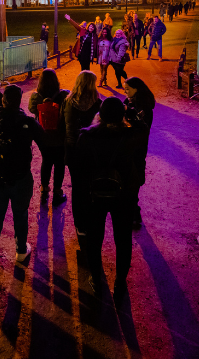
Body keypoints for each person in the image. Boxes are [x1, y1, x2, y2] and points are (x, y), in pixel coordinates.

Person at [75, 97, 147, 297]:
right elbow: (144, 134)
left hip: (94, 194)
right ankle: (120, 282)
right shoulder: (132, 136)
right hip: (124, 195)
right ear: (122, 115)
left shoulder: (86, 137)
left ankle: (96, 279)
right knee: (123, 239)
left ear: (100, 114)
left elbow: (78, 170)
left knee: (94, 238)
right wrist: (133, 116)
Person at [0, 84, 45, 263]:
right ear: (20, 101)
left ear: (2, 100)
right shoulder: (27, 122)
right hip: (21, 176)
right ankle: (20, 250)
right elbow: (45, 143)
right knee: (20, 213)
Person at [62, 71, 102, 236]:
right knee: (92, 185)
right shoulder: (98, 103)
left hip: (73, 150)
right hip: (92, 151)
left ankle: (80, 224)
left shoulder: (68, 102)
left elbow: (60, 124)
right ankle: (92, 219)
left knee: (78, 187)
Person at [28, 69, 69, 205]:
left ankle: (44, 190)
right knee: (59, 163)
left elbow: (31, 109)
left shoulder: (36, 96)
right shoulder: (63, 95)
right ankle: (57, 191)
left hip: (43, 135)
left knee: (46, 161)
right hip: (59, 134)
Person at [123, 77, 155, 228]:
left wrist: (127, 113)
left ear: (137, 89)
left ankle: (134, 214)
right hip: (131, 146)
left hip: (137, 147)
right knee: (129, 180)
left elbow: (141, 126)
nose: (125, 91)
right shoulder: (129, 101)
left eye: (128, 89)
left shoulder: (144, 107)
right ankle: (133, 212)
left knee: (133, 179)